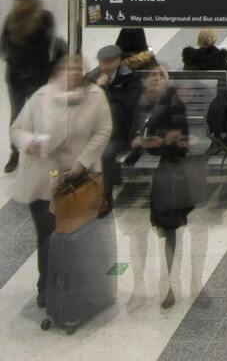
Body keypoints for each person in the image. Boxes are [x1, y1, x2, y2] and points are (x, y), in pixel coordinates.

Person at [10, 54, 110, 319]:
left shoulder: (95, 97)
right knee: (47, 236)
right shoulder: (42, 97)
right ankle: (46, 286)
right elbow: (17, 129)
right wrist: (30, 142)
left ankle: (76, 286)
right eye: (69, 68)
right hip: (42, 182)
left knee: (75, 235)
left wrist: (82, 162)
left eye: (79, 68)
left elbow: (103, 131)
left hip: (76, 181)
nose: (74, 73)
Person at [132, 69, 195, 310]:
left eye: (160, 78)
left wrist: (153, 143)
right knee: (162, 228)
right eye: (152, 78)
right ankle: (164, 280)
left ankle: (169, 282)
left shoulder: (173, 105)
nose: (155, 82)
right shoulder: (147, 104)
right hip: (165, 172)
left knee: (168, 227)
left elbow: (180, 142)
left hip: (172, 173)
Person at [3, 0, 61, 173]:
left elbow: (47, 45)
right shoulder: (11, 20)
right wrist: (12, 59)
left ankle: (40, 151)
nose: (22, 4)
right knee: (16, 116)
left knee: (39, 116)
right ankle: (16, 153)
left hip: (37, 76)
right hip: (15, 78)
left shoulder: (44, 18)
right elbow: (3, 44)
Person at [86, 43, 142, 210]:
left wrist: (104, 91)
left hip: (121, 132)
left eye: (109, 62)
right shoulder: (92, 78)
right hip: (95, 130)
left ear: (118, 62)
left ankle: (106, 195)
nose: (104, 66)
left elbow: (128, 105)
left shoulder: (131, 78)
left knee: (106, 153)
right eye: (102, 62)